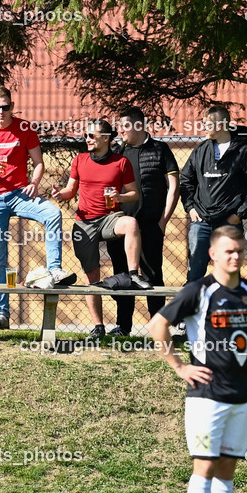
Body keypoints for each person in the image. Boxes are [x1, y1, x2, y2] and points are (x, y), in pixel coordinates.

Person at [148, 225, 247, 493]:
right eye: (228, 251)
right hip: (206, 398)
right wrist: (179, 367)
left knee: (227, 469)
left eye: (240, 251)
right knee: (204, 466)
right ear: (213, 254)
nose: (235, 256)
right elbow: (157, 325)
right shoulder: (199, 290)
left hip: (239, 398)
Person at [0, 86, 75, 329]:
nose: (1, 112)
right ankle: (2, 314)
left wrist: (35, 183)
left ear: (12, 106)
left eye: (5, 107)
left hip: (20, 193)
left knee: (53, 213)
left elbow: (39, 163)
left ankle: (55, 270)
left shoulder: (25, 128)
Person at [50, 119, 152, 339]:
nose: (87, 139)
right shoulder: (80, 160)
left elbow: (133, 193)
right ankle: (98, 327)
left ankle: (134, 274)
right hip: (84, 222)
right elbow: (70, 190)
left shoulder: (121, 162)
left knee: (131, 223)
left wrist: (119, 196)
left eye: (91, 135)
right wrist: (61, 195)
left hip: (110, 217)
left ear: (106, 138)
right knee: (91, 278)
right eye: (85, 135)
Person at [105, 107, 181, 335]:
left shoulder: (160, 150)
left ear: (139, 126)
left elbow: (174, 187)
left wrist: (163, 221)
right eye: (119, 126)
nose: (121, 130)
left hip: (150, 227)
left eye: (125, 126)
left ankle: (160, 328)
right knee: (123, 275)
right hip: (121, 227)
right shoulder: (116, 152)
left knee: (153, 277)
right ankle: (123, 327)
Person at [179, 105, 247, 282]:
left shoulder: (244, 151)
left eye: (207, 124)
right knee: (194, 277)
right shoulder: (200, 150)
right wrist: (190, 208)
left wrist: (238, 214)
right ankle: (194, 308)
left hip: (229, 223)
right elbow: (186, 180)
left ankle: (229, 308)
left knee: (229, 275)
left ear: (220, 125)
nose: (203, 128)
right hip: (201, 223)